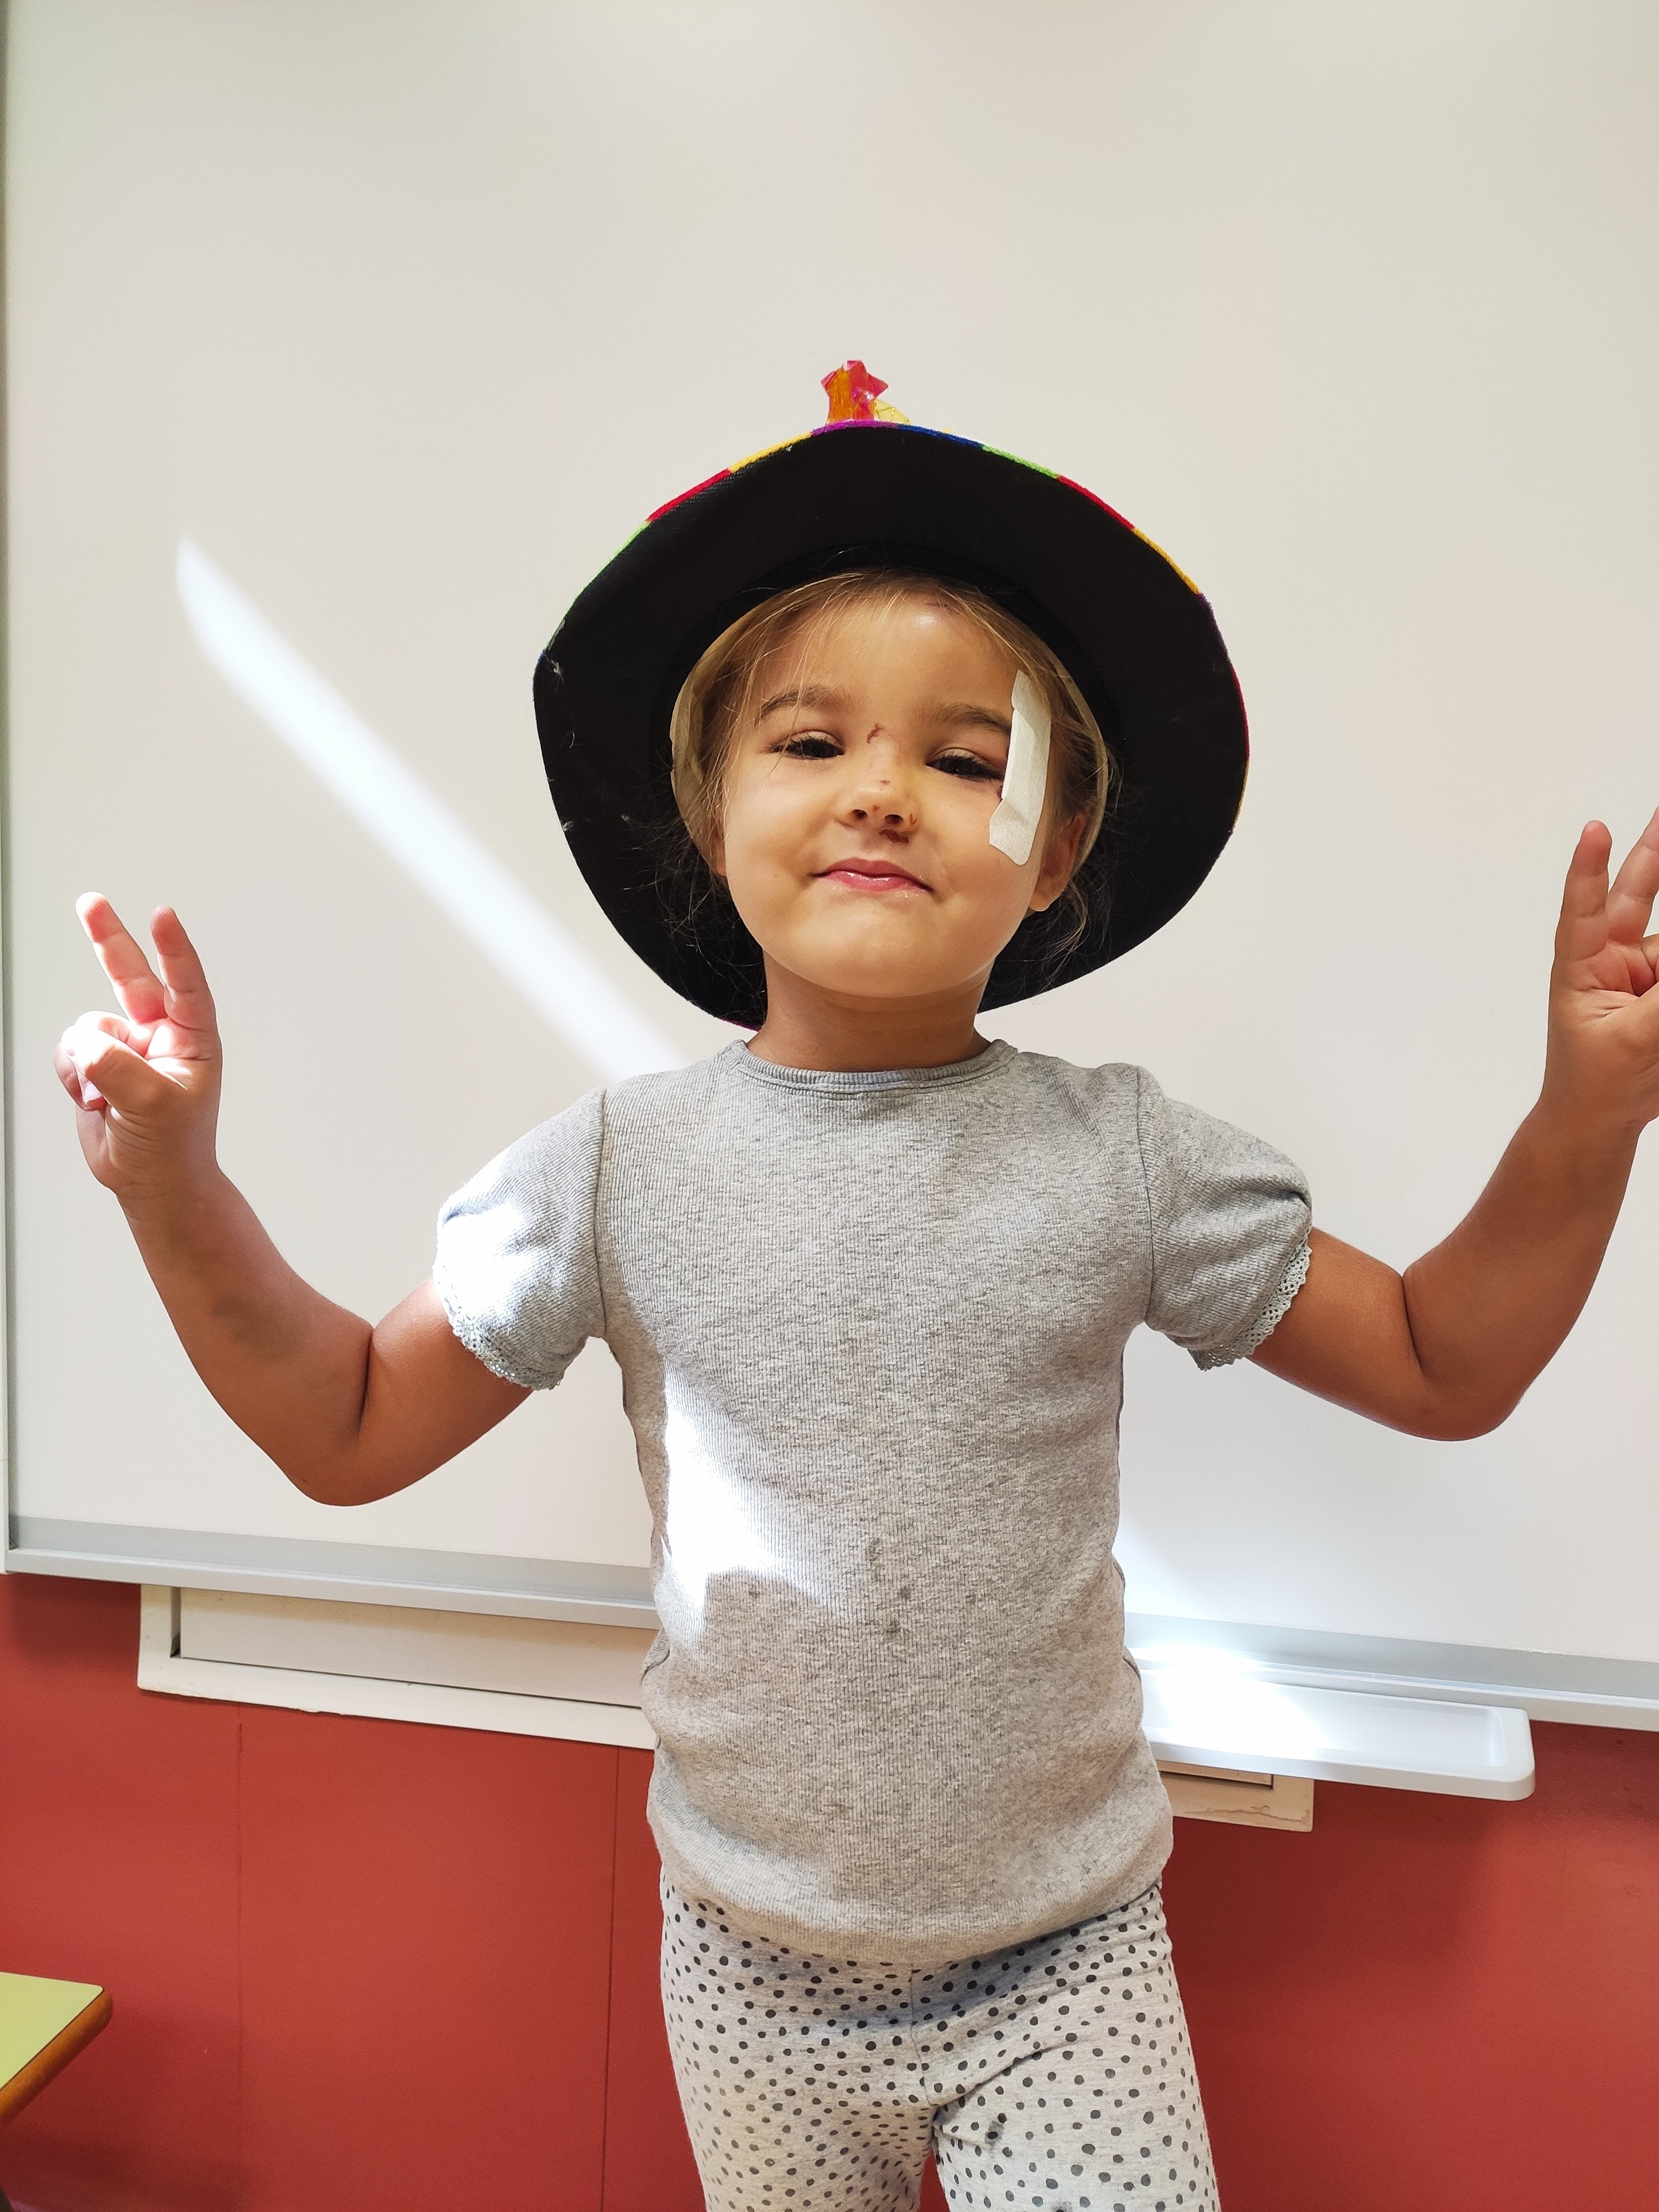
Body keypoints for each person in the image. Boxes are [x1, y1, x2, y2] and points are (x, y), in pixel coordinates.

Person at [58, 367, 1659, 2212]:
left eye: (968, 762)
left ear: (1055, 851)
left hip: (1065, 1967)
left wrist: (1586, 1114)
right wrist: (173, 1185)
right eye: (811, 743)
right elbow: (344, 1427)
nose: (884, 793)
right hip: (749, 1969)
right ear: (710, 809)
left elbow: (1446, 1363)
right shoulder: (611, 1167)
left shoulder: (1125, 1158)